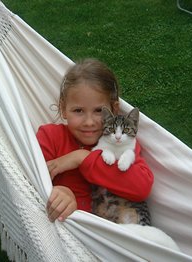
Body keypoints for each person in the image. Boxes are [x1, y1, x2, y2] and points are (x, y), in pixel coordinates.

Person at [36, 58, 154, 222]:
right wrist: (61, 191)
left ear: (114, 109)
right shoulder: (50, 136)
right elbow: (31, 183)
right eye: (78, 110)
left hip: (117, 234)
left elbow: (141, 188)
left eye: (99, 110)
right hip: (67, 236)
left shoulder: (122, 142)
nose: (89, 122)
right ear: (63, 109)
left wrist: (82, 158)